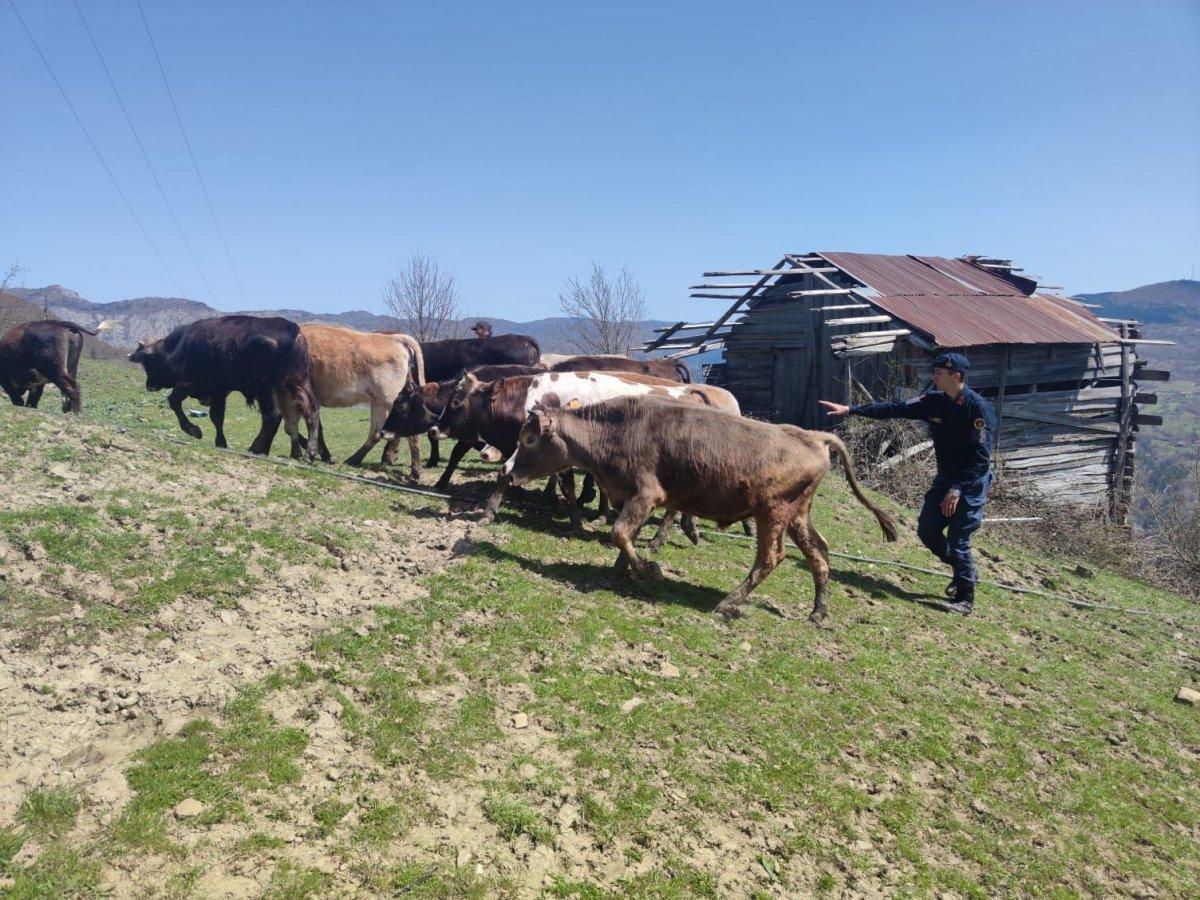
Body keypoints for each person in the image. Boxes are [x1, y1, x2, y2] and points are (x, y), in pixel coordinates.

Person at [819, 351, 995, 615]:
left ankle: (965, 598)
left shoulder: (977, 409)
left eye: (939, 373)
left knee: (959, 540)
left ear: (956, 376)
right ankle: (964, 570)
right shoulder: (934, 401)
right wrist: (852, 410)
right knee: (927, 531)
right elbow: (896, 408)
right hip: (945, 478)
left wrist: (958, 489)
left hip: (970, 483)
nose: (933, 377)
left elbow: (981, 459)